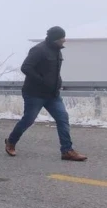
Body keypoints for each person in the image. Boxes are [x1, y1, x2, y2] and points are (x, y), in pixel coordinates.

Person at [5, 26, 87, 161]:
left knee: (63, 119)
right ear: (55, 39)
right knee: (28, 120)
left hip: (52, 95)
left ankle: (67, 151)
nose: (64, 41)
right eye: (62, 38)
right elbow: (25, 67)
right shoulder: (39, 50)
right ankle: (11, 142)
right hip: (34, 93)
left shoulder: (57, 51)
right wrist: (42, 81)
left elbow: (54, 71)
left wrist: (58, 82)